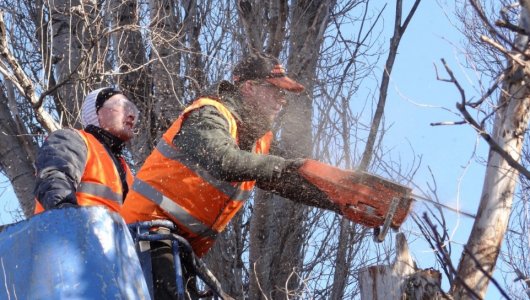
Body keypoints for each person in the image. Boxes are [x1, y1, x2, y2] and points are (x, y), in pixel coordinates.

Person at [121, 53, 349, 299]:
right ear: (249, 87)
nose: (281, 100)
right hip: (146, 233)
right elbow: (224, 160)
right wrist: (286, 166)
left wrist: (342, 200)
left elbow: (289, 179)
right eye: (275, 91)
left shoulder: (258, 141)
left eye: (284, 95)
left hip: (178, 246)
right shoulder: (208, 114)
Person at [34, 87, 139, 214]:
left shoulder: (125, 170)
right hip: (71, 230)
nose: (131, 115)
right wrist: (67, 215)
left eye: (132, 108)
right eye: (122, 106)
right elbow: (54, 179)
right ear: (97, 113)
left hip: (110, 233)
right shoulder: (73, 139)